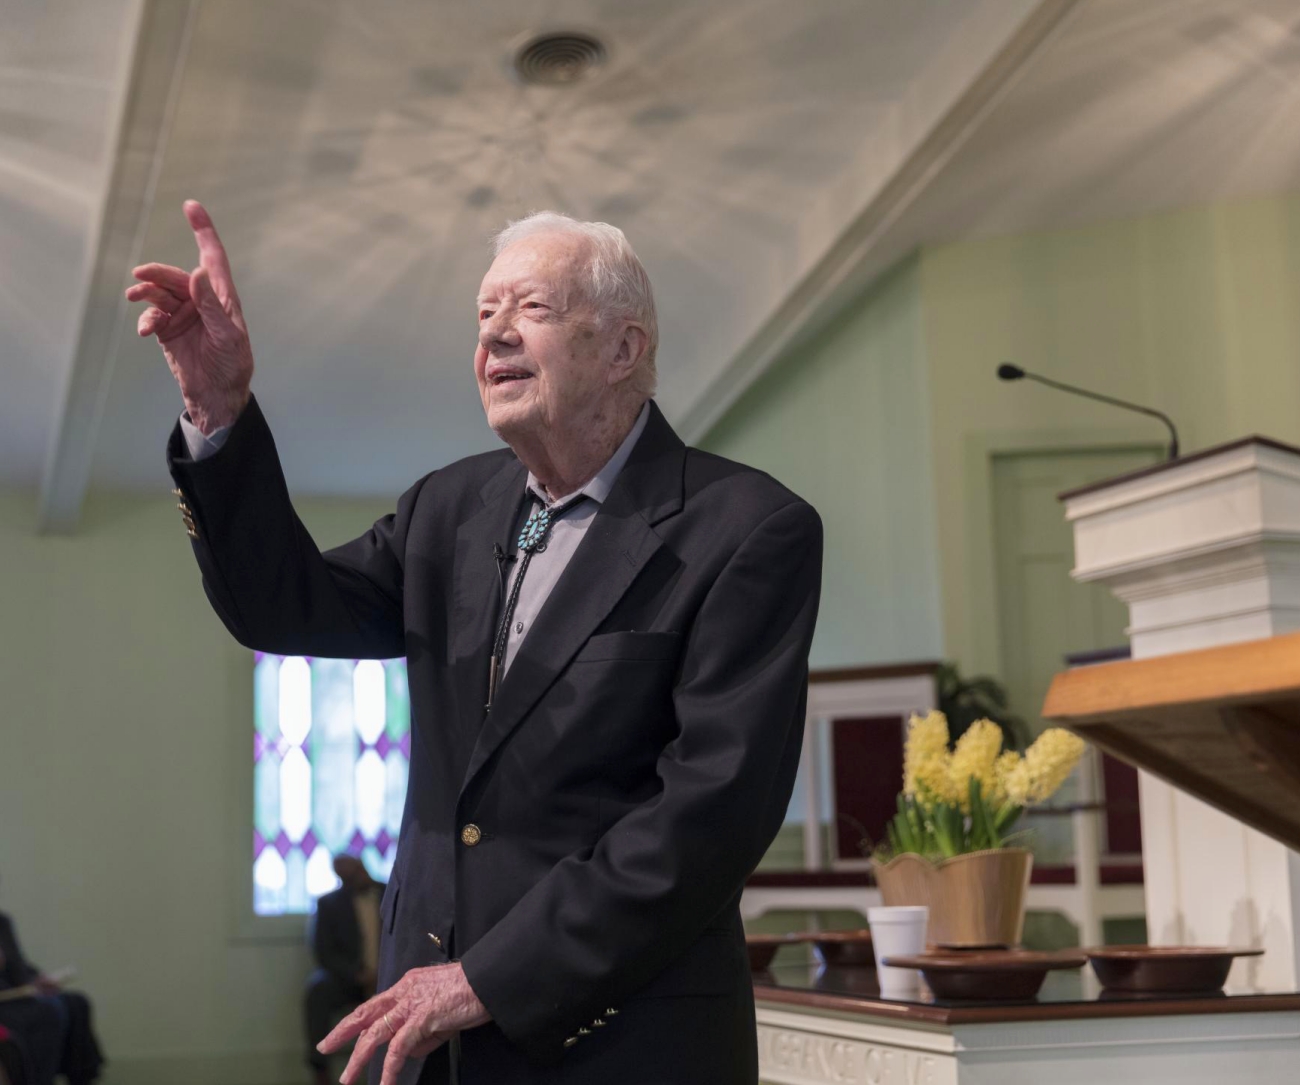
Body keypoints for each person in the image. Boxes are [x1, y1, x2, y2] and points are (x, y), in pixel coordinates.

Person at [128, 202, 822, 1085]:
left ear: (623, 349)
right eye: (483, 314)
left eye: (531, 308)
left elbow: (709, 817)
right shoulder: (446, 510)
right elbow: (282, 606)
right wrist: (215, 408)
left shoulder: (747, 529)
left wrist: (488, 977)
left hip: (620, 1037)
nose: (493, 334)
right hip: (425, 1040)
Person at [306, 857, 386, 1085]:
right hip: (352, 981)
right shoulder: (329, 904)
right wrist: (357, 975)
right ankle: (320, 1069)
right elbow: (324, 954)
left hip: (391, 977)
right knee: (317, 991)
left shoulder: (391, 893)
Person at [0, 909, 103, 1085]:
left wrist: (38, 980)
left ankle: (82, 1078)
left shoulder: (2, 921)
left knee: (76, 1003)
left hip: (17, 993)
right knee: (46, 1012)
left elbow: (20, 968)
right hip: (4, 1002)